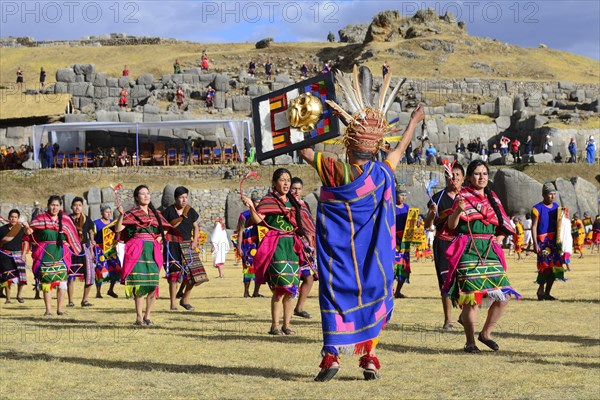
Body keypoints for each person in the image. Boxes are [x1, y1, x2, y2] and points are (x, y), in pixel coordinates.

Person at [298, 72, 425, 382]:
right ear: (376, 144)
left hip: (339, 259)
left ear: (349, 143)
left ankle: (331, 357)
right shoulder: (382, 172)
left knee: (334, 299)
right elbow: (402, 146)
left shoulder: (335, 168)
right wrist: (412, 122)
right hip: (372, 262)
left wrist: (305, 118)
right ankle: (369, 357)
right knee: (371, 301)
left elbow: (304, 151)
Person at [445, 160, 519, 353]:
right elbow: (451, 226)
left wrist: (499, 238)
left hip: (490, 250)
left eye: (485, 173)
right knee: (472, 298)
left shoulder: (493, 198)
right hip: (468, 249)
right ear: (469, 177)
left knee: (504, 295)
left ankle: (486, 333)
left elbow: (504, 224)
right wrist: (459, 211)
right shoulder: (462, 197)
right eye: (477, 174)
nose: (481, 177)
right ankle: (470, 342)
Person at [241, 168, 309, 337]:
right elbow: (259, 221)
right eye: (282, 180)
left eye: (288, 180)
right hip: (276, 246)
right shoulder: (268, 201)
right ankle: (275, 325)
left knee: (292, 288)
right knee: (280, 287)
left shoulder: (294, 203)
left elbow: (305, 224)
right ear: (274, 182)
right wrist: (251, 206)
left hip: (292, 247)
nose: (286, 183)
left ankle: (287, 325)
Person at [115, 185, 174, 326]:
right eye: (143, 194)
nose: (146, 196)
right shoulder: (130, 214)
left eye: (148, 193)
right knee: (139, 284)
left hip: (152, 250)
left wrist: (159, 238)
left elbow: (165, 229)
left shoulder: (156, 214)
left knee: (153, 284)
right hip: (136, 250)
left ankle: (148, 316)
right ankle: (139, 317)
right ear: (137, 197)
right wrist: (121, 215)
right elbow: (118, 229)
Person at [424, 162, 465, 330]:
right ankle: (448, 320)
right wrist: (432, 214)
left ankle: (465, 315)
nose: (453, 178)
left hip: (463, 243)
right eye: (450, 175)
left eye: (457, 175)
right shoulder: (437, 198)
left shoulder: (468, 197)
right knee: (446, 282)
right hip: (443, 243)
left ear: (463, 178)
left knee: (465, 280)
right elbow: (428, 225)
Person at [29, 195, 82, 316]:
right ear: (48, 206)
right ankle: (48, 310)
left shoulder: (65, 220)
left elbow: (72, 235)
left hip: (61, 254)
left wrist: (69, 243)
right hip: (45, 253)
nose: (54, 207)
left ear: (60, 207)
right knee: (46, 282)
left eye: (57, 205)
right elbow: (30, 233)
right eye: (52, 205)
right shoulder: (40, 218)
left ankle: (60, 309)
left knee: (62, 282)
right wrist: (27, 229)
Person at [163, 186, 207, 311]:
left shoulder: (190, 211)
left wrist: (194, 241)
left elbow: (196, 227)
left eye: (186, 197)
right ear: (176, 198)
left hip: (188, 245)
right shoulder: (168, 212)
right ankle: (173, 304)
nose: (184, 200)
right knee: (174, 275)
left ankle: (185, 299)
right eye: (181, 197)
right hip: (172, 245)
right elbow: (164, 229)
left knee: (195, 274)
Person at [532, 182, 570, 300]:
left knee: (555, 267)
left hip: (555, 241)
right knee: (545, 266)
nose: (552, 196)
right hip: (543, 242)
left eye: (554, 194)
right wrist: (534, 243)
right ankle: (540, 290)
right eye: (550, 194)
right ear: (544, 195)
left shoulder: (556, 207)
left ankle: (547, 293)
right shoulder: (536, 208)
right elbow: (534, 226)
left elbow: (562, 223)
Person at [289, 177, 317, 319]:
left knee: (308, 277)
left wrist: (312, 241)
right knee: (291, 279)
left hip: (306, 246)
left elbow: (310, 224)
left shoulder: (304, 204)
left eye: (299, 188)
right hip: (291, 245)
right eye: (294, 188)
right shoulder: (286, 204)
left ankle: (299, 308)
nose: (296, 191)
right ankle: (285, 313)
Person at [67, 197, 96, 308]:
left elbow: (91, 230)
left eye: (79, 205)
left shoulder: (86, 219)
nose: (77, 207)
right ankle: (70, 301)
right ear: (71, 207)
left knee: (89, 275)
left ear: (82, 207)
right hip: (72, 248)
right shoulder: (68, 219)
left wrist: (92, 242)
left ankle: (85, 300)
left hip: (85, 248)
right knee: (70, 275)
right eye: (75, 205)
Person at [0, 210, 31, 304]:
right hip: (5, 255)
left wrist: (24, 254)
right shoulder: (2, 229)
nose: (13, 219)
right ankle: (8, 298)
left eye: (15, 217)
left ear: (18, 219)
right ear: (8, 218)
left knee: (21, 277)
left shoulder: (21, 229)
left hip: (19, 255)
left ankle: (19, 295)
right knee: (7, 277)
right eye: (11, 217)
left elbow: (26, 241)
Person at [236, 191, 263, 298]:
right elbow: (240, 231)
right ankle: (246, 291)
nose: (259, 204)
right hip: (247, 245)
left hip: (260, 244)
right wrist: (239, 247)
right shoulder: (244, 216)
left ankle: (256, 292)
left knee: (259, 268)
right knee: (248, 268)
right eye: (256, 202)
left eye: (260, 202)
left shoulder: (262, 215)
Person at [93, 205, 121, 298]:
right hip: (99, 249)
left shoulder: (113, 222)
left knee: (116, 268)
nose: (108, 214)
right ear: (101, 212)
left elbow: (117, 232)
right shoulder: (96, 223)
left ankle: (111, 290)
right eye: (106, 212)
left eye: (110, 212)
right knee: (100, 270)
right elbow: (92, 236)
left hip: (111, 249)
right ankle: (98, 292)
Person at [393, 185, 411, 298]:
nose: (403, 197)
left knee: (404, 268)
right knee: (392, 267)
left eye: (405, 195)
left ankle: (398, 291)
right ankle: (390, 290)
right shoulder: (390, 207)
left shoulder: (408, 208)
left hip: (404, 242)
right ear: (396, 194)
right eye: (401, 195)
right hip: (393, 240)